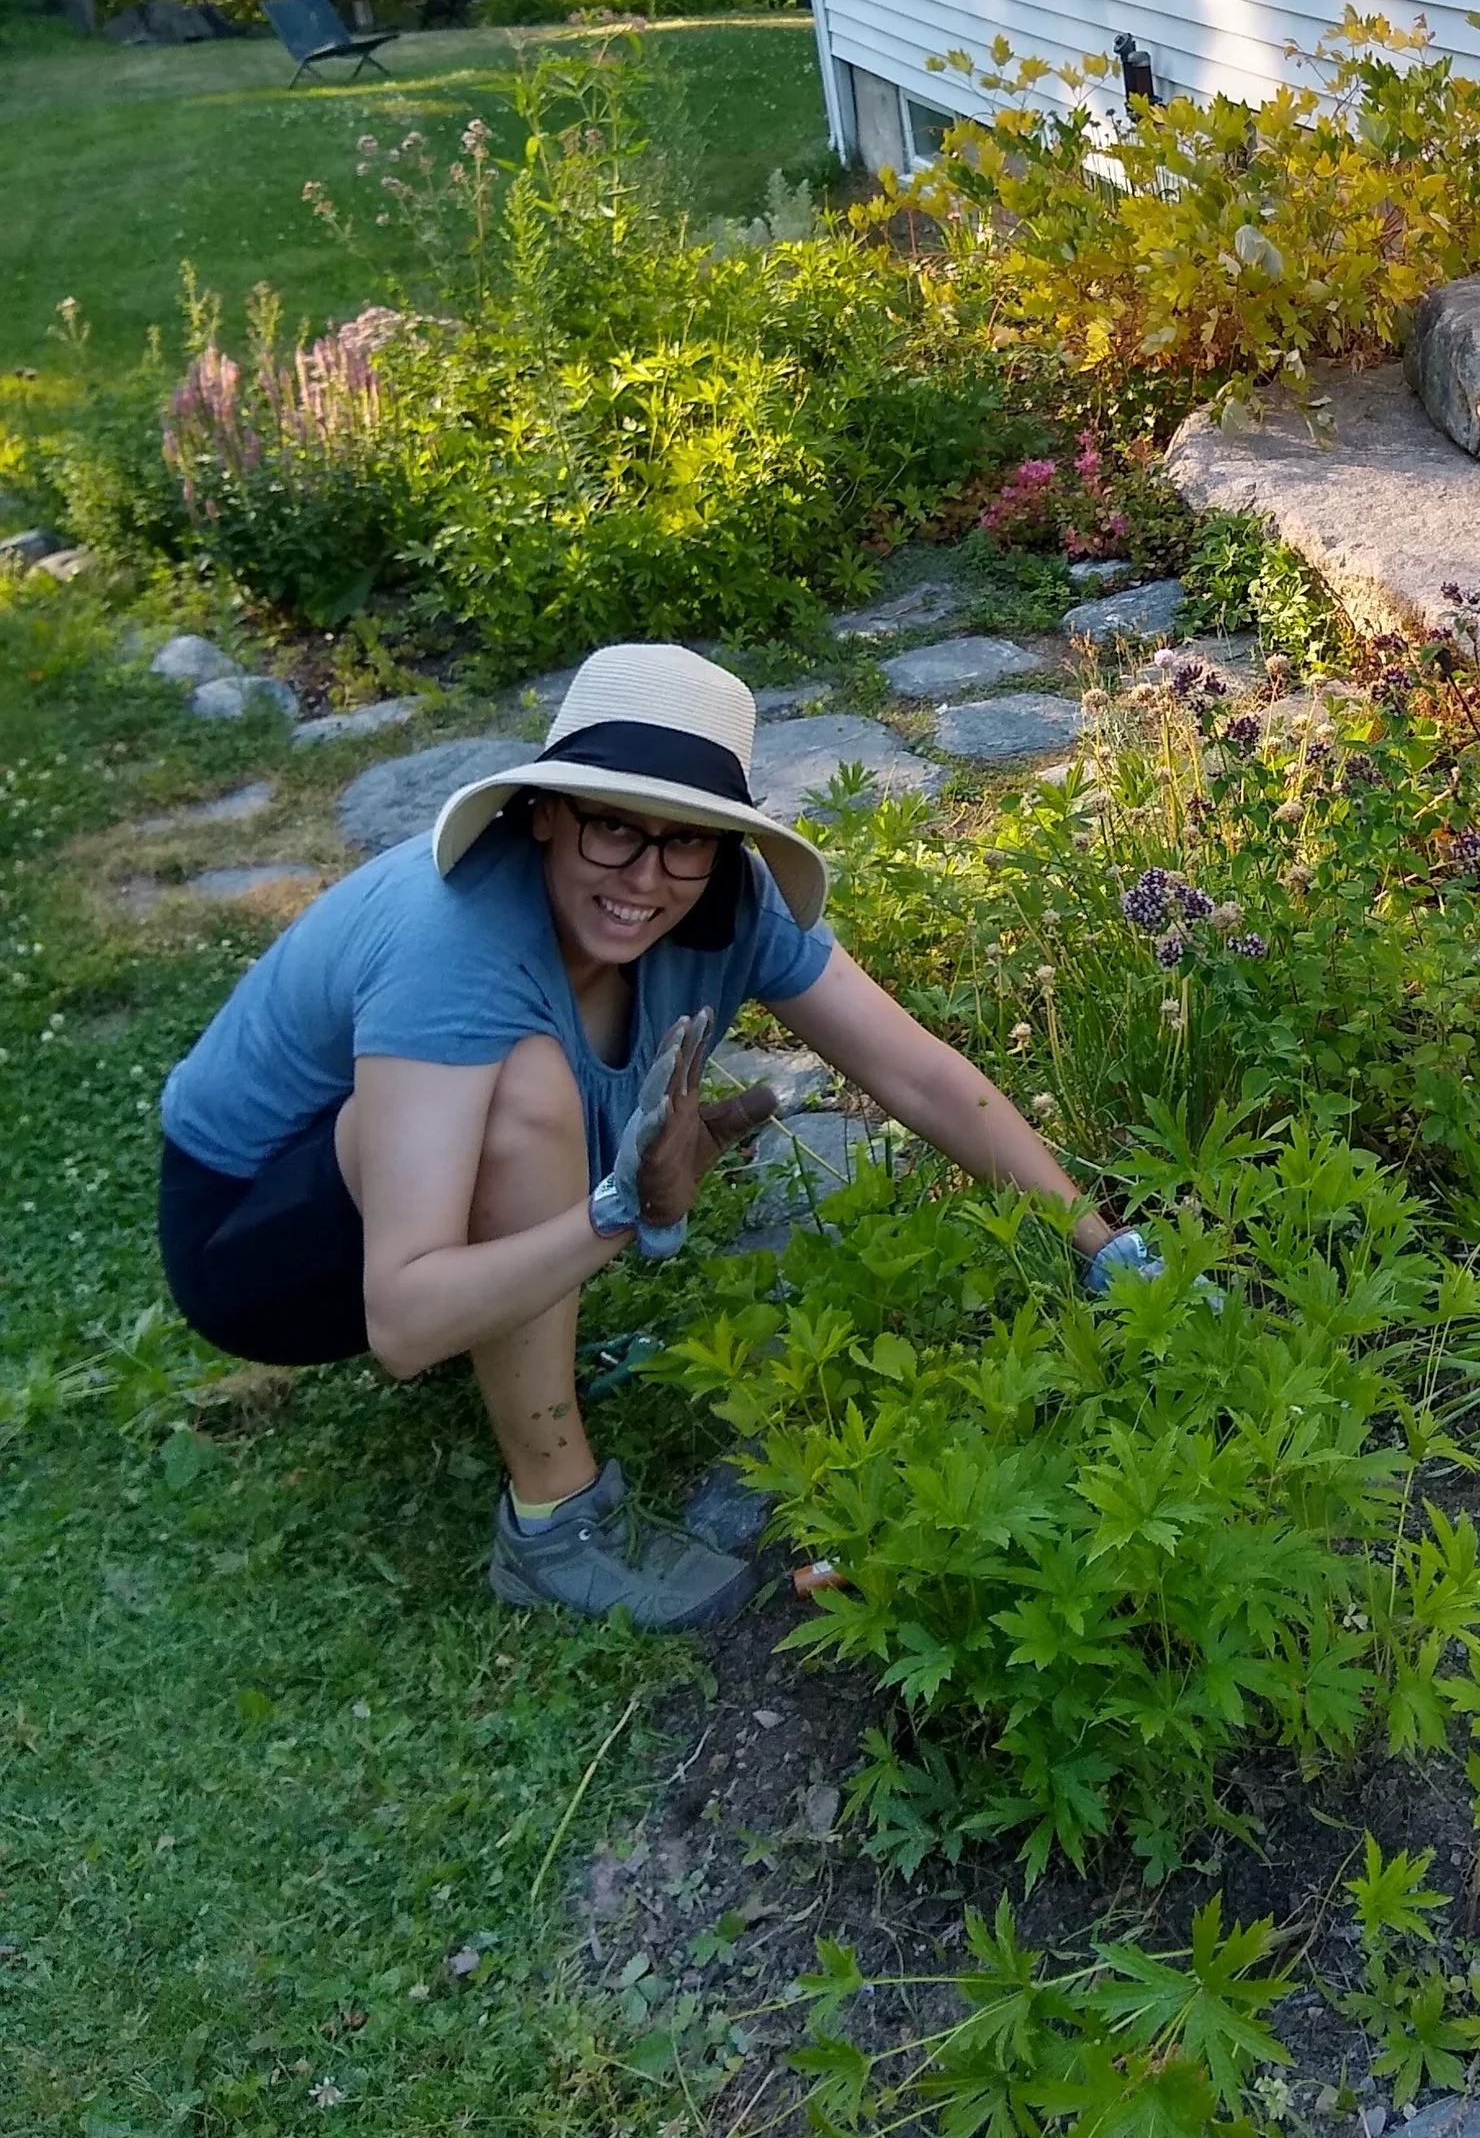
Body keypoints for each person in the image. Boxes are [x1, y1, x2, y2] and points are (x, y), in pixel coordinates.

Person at [157, 642, 1153, 1627]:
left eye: (686, 838)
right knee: (530, 1092)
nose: (644, 874)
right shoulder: (453, 942)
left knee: (542, 1097)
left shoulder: (728, 900)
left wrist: (1104, 1248)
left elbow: (917, 1073)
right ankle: (554, 1524)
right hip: (256, 1244)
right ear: (544, 813)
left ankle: (529, 1320)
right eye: (610, 828)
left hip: (415, 1195)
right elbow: (405, 1326)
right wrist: (621, 1209)